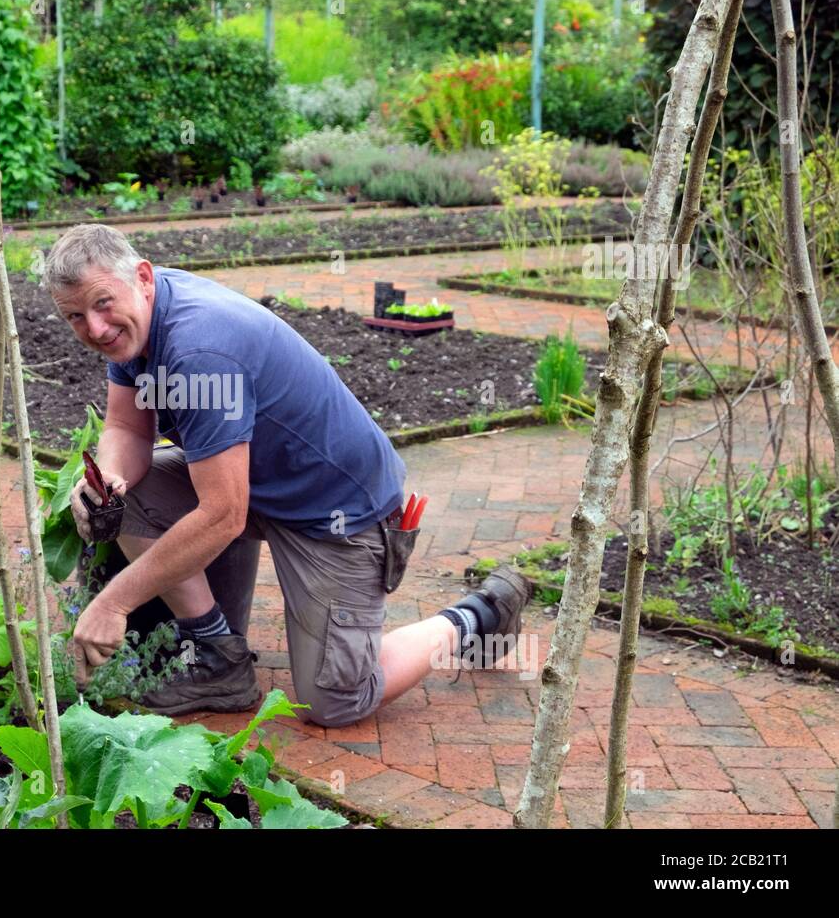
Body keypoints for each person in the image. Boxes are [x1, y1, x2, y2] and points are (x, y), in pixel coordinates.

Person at [46, 223, 531, 728]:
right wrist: (110, 481)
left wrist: (112, 604)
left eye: (102, 304)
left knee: (336, 702)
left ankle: (475, 618)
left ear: (142, 277)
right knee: (134, 497)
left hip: (337, 510)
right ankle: (218, 658)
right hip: (256, 481)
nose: (95, 328)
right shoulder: (138, 322)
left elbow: (221, 516)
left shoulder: (199, 351)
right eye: (75, 316)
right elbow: (126, 425)